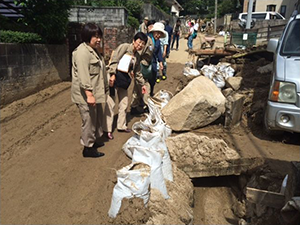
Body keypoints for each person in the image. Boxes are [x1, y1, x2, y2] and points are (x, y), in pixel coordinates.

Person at [71, 23, 109, 158]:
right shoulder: (82, 52)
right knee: (89, 121)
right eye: (95, 36)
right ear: (87, 36)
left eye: (99, 36)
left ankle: (93, 140)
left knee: (96, 118)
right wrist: (89, 94)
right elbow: (83, 76)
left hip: (95, 93)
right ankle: (88, 148)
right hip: (86, 96)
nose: (98, 39)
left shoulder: (93, 50)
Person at [107, 32, 148, 133]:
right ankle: (106, 129)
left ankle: (121, 126)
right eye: (139, 42)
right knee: (110, 104)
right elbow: (114, 59)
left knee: (124, 103)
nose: (140, 45)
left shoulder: (137, 56)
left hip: (124, 80)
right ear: (134, 41)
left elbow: (137, 72)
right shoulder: (124, 47)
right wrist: (112, 74)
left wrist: (142, 84)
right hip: (114, 78)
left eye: (143, 44)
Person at [130, 20, 155, 115]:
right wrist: (134, 68)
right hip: (141, 66)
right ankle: (144, 105)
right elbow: (138, 53)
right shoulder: (146, 40)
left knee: (139, 86)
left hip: (146, 65)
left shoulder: (153, 40)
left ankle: (136, 106)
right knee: (142, 86)